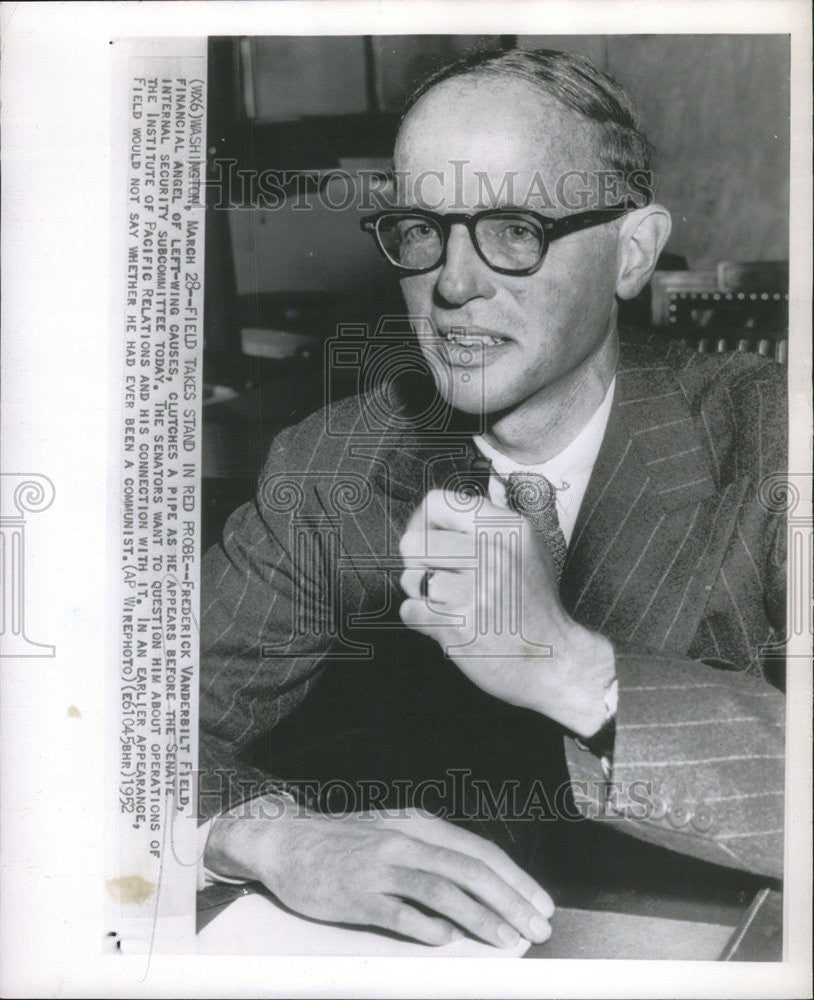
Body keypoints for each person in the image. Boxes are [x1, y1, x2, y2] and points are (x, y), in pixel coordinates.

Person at [198, 49, 786, 949]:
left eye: (515, 229)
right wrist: (269, 836)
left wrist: (577, 672)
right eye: (422, 231)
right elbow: (123, 726)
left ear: (632, 252)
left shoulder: (775, 440)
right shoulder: (336, 465)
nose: (454, 285)